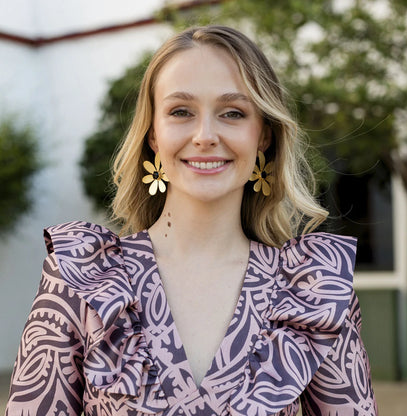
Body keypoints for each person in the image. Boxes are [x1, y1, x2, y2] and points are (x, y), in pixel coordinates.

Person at [6, 25, 378, 416]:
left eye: (232, 113)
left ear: (263, 136)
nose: (205, 135)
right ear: (153, 133)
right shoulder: (82, 275)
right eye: (181, 111)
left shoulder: (311, 292)